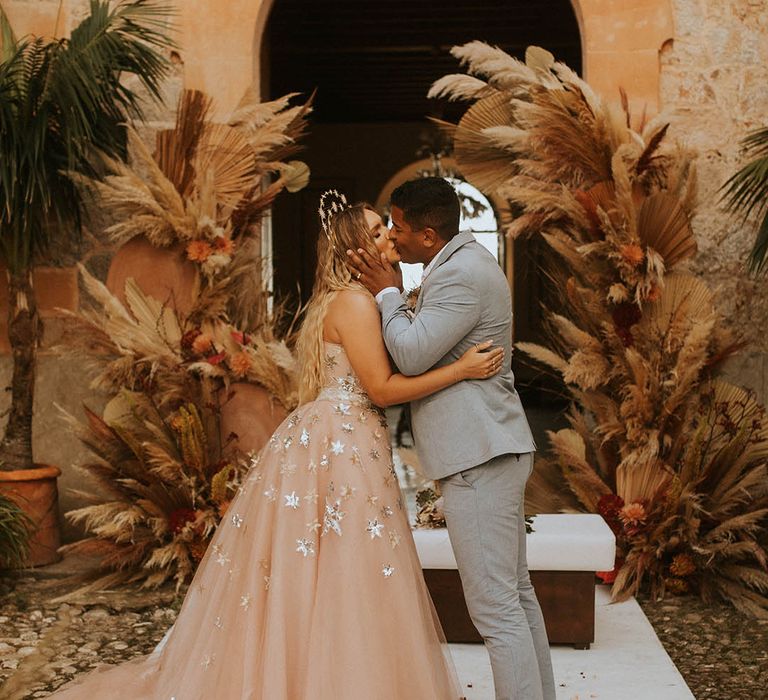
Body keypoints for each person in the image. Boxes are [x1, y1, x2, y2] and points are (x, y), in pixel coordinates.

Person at [42, 191, 505, 700]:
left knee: (337, 567)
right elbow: (381, 389)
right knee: (352, 566)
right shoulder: (354, 304)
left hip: (342, 437)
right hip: (345, 444)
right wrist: (459, 370)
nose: (389, 237)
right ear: (353, 251)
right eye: (376, 232)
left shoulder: (352, 300)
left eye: (386, 229)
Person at [347, 177, 556, 700]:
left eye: (397, 228)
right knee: (514, 596)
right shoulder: (459, 263)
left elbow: (413, 354)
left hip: (479, 453)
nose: (391, 239)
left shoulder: (459, 275)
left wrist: (388, 294)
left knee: (494, 605)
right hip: (490, 446)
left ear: (429, 235)